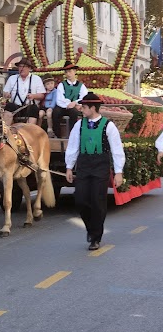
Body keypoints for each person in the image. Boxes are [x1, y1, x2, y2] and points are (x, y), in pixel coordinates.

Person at [65, 92, 125, 251]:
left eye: (84, 107)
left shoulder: (108, 125)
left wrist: (118, 172)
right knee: (80, 200)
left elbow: (117, 150)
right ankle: (91, 228)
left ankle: (95, 237)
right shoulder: (79, 125)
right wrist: (69, 167)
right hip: (84, 165)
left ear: (92, 108)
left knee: (97, 201)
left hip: (101, 166)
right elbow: (72, 146)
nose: (82, 110)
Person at [3, 57, 46, 126]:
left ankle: (29, 131)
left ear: (29, 68)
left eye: (24, 67)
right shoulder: (12, 79)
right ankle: (6, 132)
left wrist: (33, 96)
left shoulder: (36, 79)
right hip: (16, 107)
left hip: (29, 107)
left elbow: (42, 95)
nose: (21, 69)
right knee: (9, 106)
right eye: (20, 66)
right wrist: (7, 94)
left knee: (34, 108)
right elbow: (5, 93)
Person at [52, 60, 88, 138]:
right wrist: (68, 104)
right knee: (56, 112)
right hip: (63, 106)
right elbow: (59, 99)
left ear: (74, 71)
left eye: (70, 71)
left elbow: (84, 97)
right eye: (66, 72)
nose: (68, 74)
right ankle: (58, 135)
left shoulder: (81, 86)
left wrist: (75, 103)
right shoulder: (62, 85)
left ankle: (72, 135)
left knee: (74, 113)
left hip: (74, 107)